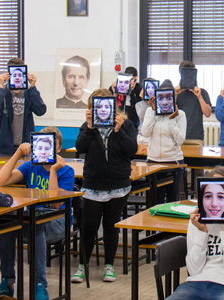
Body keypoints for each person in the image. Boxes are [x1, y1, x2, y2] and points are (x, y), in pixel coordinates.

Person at [0, 127, 74, 300]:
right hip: (34, 216)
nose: (43, 151)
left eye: (49, 146)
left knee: (37, 225)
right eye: (39, 147)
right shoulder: (30, 166)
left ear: (58, 149)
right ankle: (7, 282)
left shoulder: (66, 171)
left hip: (58, 221)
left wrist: (54, 171)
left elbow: (55, 203)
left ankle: (40, 284)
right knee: (7, 226)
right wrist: (18, 153)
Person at [71, 89, 138, 283]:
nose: (102, 109)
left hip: (118, 184)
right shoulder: (87, 126)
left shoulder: (125, 125)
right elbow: (80, 147)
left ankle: (109, 266)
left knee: (110, 226)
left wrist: (117, 132)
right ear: (91, 108)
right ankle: (82, 266)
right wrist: (90, 127)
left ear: (113, 107)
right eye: (97, 105)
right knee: (89, 226)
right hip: (93, 184)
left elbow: (132, 151)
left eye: (106, 105)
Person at [166, 166, 224, 300]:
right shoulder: (197, 223)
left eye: (221, 196)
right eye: (208, 196)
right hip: (195, 283)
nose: (214, 203)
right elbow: (194, 270)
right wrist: (202, 232)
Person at [0, 57, 46, 157]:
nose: (17, 78)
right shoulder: (1, 91)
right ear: (8, 74)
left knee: (25, 172)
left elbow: (41, 111)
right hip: (5, 147)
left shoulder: (29, 92)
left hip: (26, 147)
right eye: (13, 74)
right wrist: (1, 86)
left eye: (20, 74)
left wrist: (33, 87)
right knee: (4, 172)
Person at [141, 80, 187, 203]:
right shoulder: (150, 113)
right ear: (155, 99)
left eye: (169, 97)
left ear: (174, 98)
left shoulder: (180, 115)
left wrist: (172, 120)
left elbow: (180, 140)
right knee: (154, 202)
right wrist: (152, 110)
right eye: (160, 98)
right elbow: (145, 133)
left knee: (172, 201)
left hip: (173, 162)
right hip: (153, 162)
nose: (165, 102)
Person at [175, 61, 212, 146]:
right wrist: (175, 94)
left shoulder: (202, 93)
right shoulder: (176, 93)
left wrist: (199, 96)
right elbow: (169, 112)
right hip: (179, 137)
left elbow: (207, 113)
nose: (188, 79)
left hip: (196, 137)